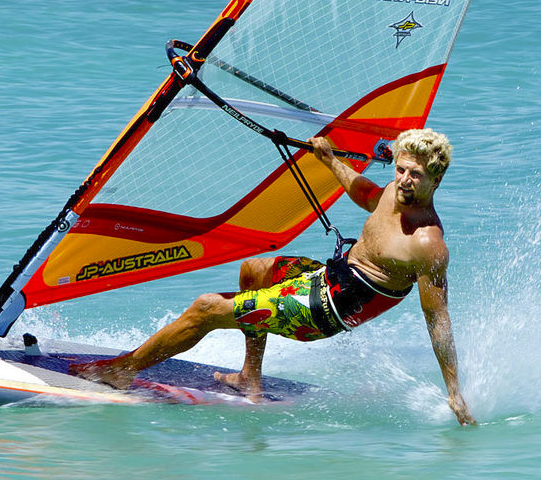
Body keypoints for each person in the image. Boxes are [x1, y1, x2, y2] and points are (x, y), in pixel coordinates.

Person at [70, 128, 475, 425]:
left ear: (436, 179)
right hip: (328, 276)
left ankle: (124, 370)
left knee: (207, 308)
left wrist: (454, 392)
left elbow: (437, 320)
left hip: (328, 309)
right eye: (402, 170)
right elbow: (367, 195)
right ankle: (250, 376)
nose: (404, 180)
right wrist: (330, 159)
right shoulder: (393, 190)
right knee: (254, 269)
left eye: (415, 175)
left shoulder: (427, 245)